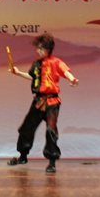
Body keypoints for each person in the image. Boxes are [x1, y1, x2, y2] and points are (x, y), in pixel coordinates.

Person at [7, 32, 79, 173]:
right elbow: (33, 77)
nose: (38, 51)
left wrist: (72, 79)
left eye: (41, 48)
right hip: (38, 100)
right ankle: (23, 156)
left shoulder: (56, 62)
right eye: (37, 48)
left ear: (48, 49)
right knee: (26, 128)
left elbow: (65, 72)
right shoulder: (36, 63)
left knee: (51, 131)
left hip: (52, 102)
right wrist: (18, 72)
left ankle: (52, 162)